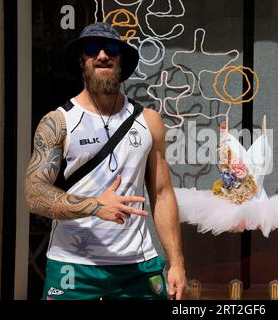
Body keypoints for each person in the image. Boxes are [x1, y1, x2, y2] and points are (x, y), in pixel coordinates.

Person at [25, 22, 186, 300]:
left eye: (111, 49)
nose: (102, 55)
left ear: (121, 59)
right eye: (92, 49)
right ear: (82, 60)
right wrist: (95, 205)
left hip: (138, 266)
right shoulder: (59, 121)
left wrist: (177, 262)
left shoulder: (149, 120)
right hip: (73, 265)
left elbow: (161, 194)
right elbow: (34, 193)